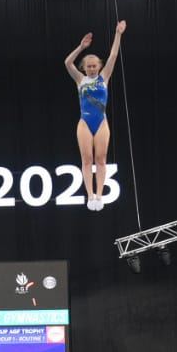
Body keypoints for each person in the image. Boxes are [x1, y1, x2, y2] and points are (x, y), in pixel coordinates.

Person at [62, 20, 127, 211]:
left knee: (101, 158)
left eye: (94, 66)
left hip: (101, 122)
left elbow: (114, 55)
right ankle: (90, 195)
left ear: (99, 66)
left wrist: (118, 33)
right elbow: (67, 62)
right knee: (86, 159)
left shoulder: (104, 77)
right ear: (84, 68)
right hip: (85, 122)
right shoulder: (80, 80)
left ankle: (100, 195)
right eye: (88, 66)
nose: (91, 69)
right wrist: (81, 47)